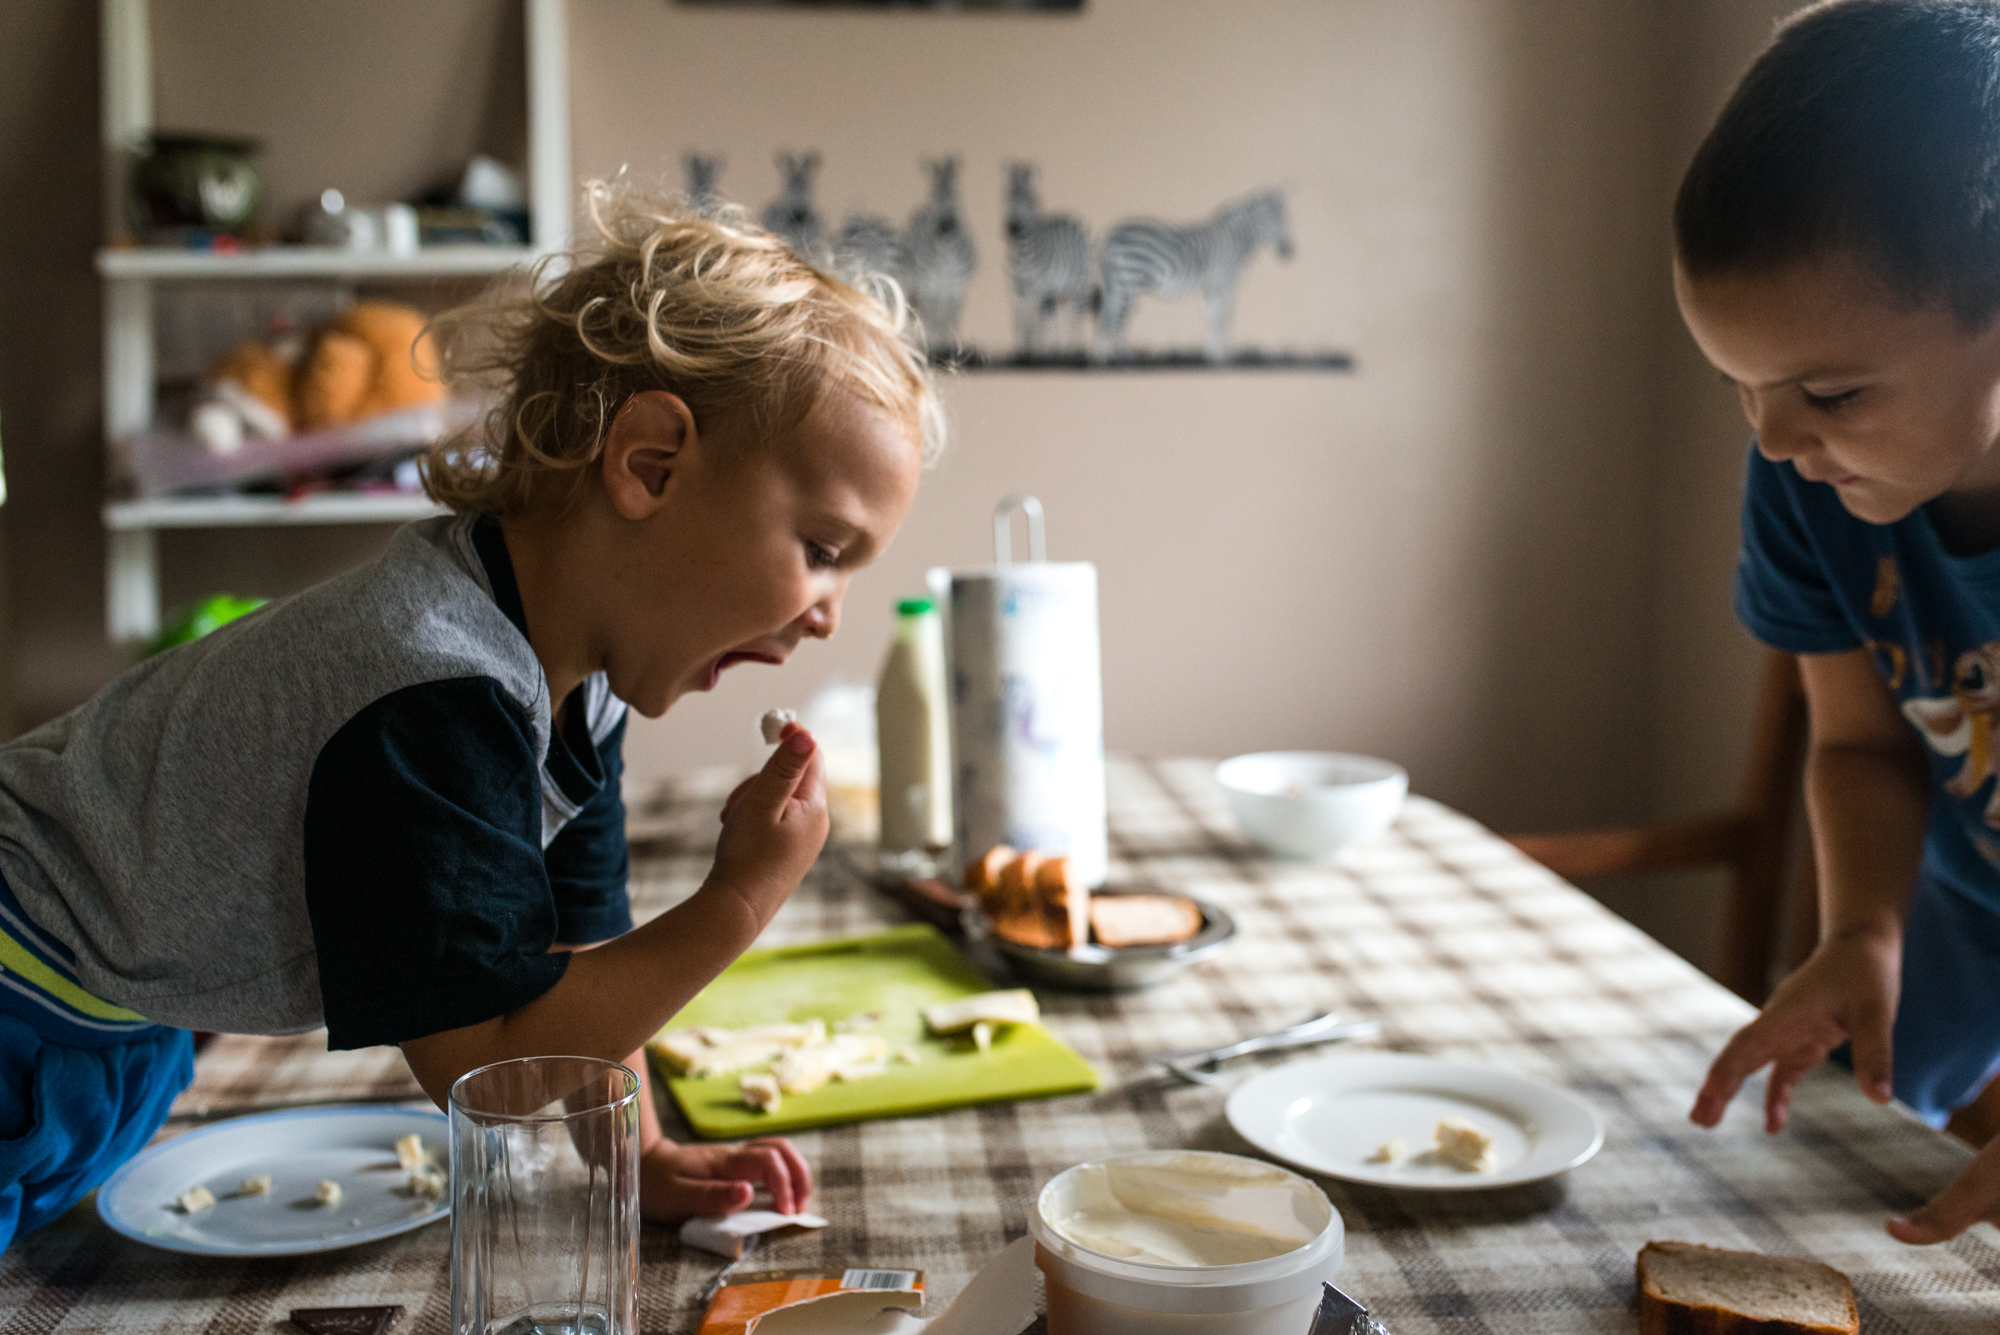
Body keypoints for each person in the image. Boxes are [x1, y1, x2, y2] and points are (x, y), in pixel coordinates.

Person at [0, 180, 942, 1248]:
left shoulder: (566, 683)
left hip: (119, 1015)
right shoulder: (436, 691)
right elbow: (490, 1070)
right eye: (823, 552)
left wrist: (642, 1158)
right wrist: (739, 899)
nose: (827, 618)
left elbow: (577, 961)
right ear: (649, 464)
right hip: (19, 999)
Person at [1672, 0, 2000, 1244]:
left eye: (1829, 392)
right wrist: (1861, 925)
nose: (1774, 442)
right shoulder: (1804, 479)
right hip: (1962, 898)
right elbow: (1860, 743)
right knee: (1808, 1191)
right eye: (1736, 387)